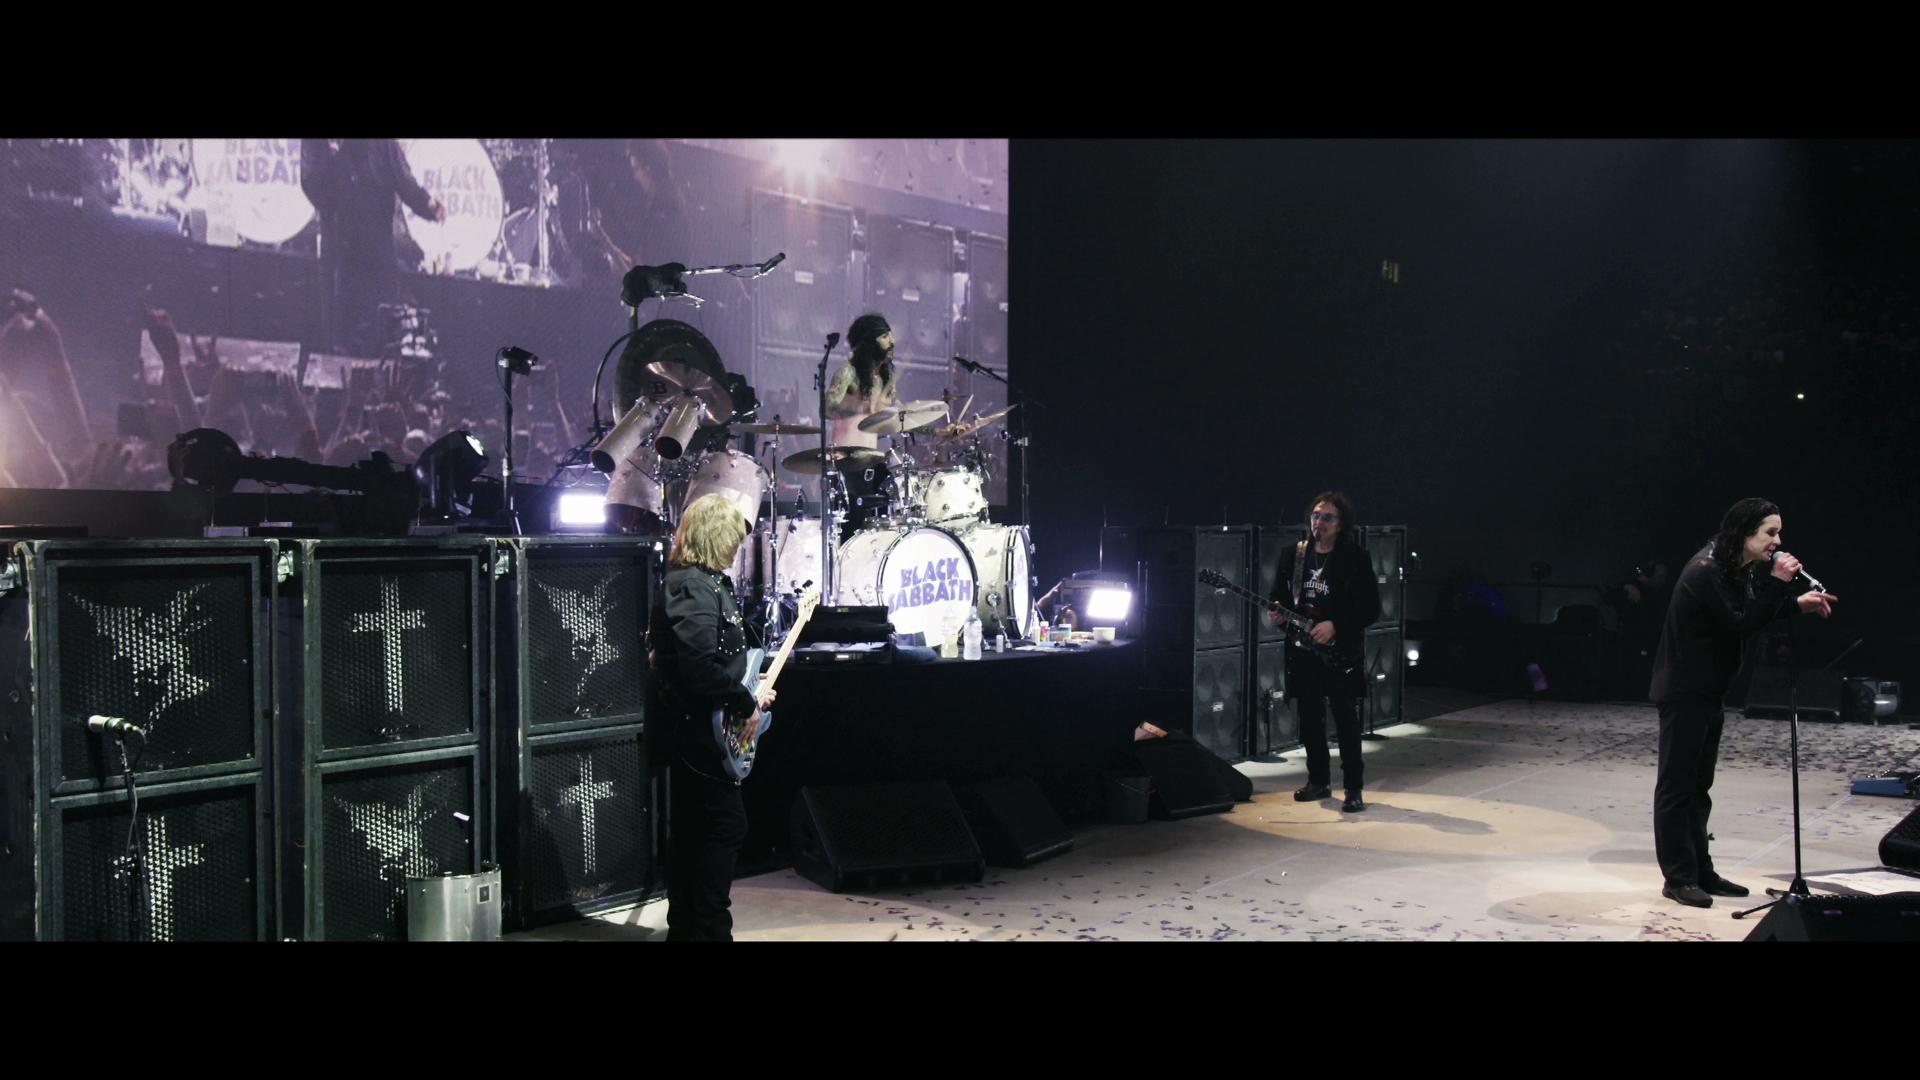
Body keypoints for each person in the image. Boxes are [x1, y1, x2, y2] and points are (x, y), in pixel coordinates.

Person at [1648, 497, 1836, 908]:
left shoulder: (1734, 566)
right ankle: (1678, 878)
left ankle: (1701, 870)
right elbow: (1741, 623)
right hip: (1685, 691)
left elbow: (1748, 610)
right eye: (1770, 532)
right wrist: (1781, 583)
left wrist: (1795, 604)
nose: (1778, 540)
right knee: (1678, 787)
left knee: (1699, 787)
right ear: (1744, 532)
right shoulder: (1706, 570)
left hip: (1709, 691)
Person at [647, 493, 776, 941]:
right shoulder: (692, 587)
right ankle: (708, 932)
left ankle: (691, 931)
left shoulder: (701, 583)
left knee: (695, 835)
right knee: (719, 829)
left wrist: (753, 692)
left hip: (699, 733)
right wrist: (744, 704)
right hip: (698, 738)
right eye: (733, 542)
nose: (736, 552)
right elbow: (698, 667)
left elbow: (718, 664)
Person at [1269, 492, 1381, 812]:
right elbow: (1279, 597)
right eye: (1316, 516)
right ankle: (1318, 780)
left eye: (1327, 517)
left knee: (1345, 718)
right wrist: (1277, 613)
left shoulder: (1355, 558)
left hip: (1340, 651)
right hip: (1302, 651)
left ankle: (1353, 788)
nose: (1319, 522)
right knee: (1309, 719)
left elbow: (1371, 608)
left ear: (1341, 523)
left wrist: (1336, 625)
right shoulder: (1293, 555)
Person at [299, 140, 445, 355]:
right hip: (340, 252)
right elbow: (313, 185)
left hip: (377, 253)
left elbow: (405, 181)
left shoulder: (383, 144)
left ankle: (377, 379)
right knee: (341, 335)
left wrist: (428, 204)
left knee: (380, 333)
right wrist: (331, 155)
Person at [824, 313, 900, 535]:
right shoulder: (847, 372)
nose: (892, 341)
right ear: (869, 341)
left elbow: (904, 417)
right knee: (849, 531)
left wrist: (939, 430)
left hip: (871, 461)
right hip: (845, 464)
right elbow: (827, 408)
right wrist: (861, 407)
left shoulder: (884, 380)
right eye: (885, 336)